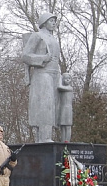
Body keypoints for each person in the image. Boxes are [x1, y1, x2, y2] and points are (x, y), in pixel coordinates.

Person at [22, 12, 73, 143]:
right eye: (51, 21)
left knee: (54, 106)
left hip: (54, 74)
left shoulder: (53, 39)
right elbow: (25, 56)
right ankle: (44, 138)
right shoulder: (37, 36)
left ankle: (46, 138)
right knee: (45, 105)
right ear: (44, 23)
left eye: (55, 21)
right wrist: (43, 58)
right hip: (42, 74)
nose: (54, 23)